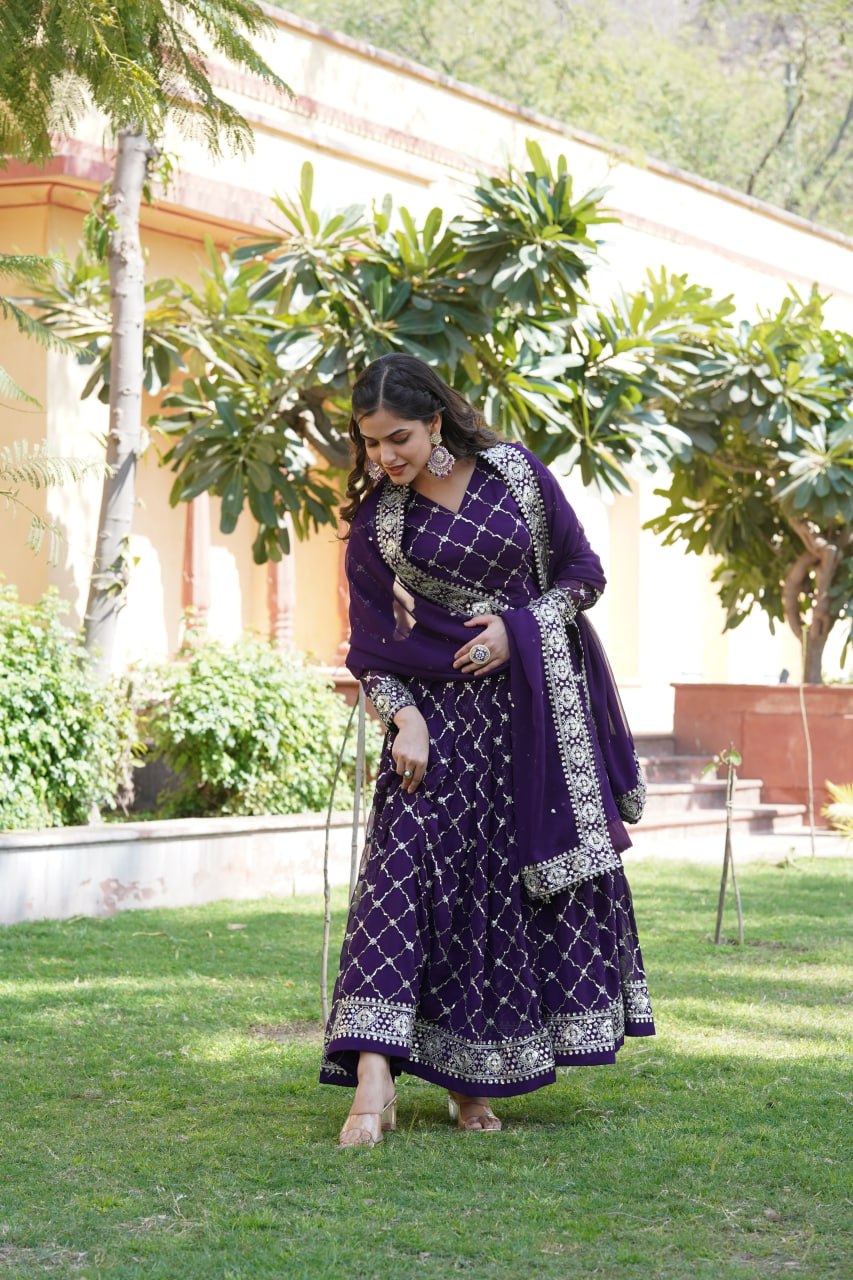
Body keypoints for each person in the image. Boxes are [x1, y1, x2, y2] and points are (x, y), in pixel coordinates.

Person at [320, 352, 654, 1146]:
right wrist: (403, 717)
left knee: (496, 898)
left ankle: (472, 1082)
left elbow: (584, 573)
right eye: (370, 445)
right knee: (398, 881)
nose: (385, 458)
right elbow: (369, 649)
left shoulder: (513, 474)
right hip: (434, 731)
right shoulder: (380, 524)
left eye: (396, 438)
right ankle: (372, 1077)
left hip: (532, 719)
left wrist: (519, 628)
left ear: (435, 420)